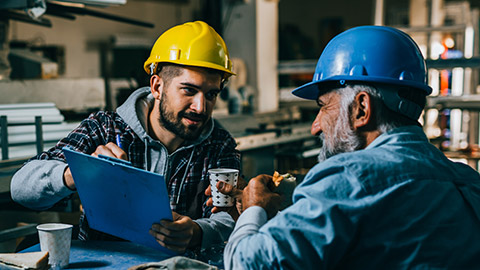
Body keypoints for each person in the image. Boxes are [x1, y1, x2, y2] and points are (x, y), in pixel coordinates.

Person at [222, 26, 480, 269]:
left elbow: (246, 263)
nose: (316, 126)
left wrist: (255, 208)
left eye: (323, 106)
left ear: (361, 109)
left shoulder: (348, 178)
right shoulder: (468, 183)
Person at [10, 21, 241, 254]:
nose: (201, 107)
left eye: (211, 94)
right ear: (157, 86)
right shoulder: (104, 129)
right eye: (189, 90)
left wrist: (197, 232)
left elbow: (229, 216)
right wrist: (76, 173)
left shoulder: (219, 146)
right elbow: (21, 188)